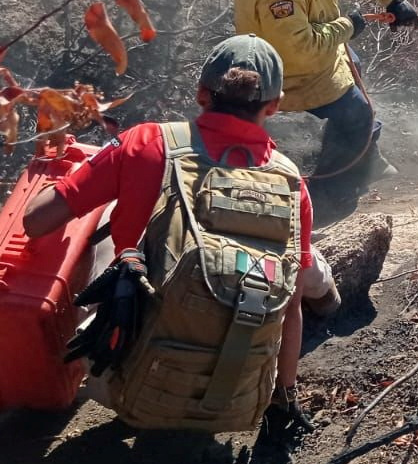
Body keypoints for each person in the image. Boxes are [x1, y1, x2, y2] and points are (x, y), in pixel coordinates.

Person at [22, 36, 324, 438]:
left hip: (125, 382)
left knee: (113, 220)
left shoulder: (146, 142)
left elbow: (37, 221)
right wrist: (283, 395)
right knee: (299, 267)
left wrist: (69, 169)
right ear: (275, 105)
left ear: (202, 94)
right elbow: (290, 311)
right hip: (238, 397)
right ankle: (331, 300)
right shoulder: (290, 180)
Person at [232, 0, 418, 210]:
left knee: (353, 64)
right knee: (357, 112)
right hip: (288, 70)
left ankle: (365, 157)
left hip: (315, 51)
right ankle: (329, 194)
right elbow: (300, 48)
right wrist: (350, 25)